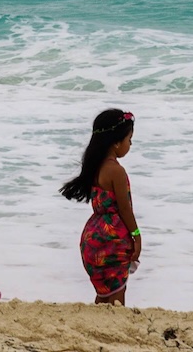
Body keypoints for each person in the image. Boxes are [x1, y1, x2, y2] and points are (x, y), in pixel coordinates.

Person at [60, 109, 140, 305]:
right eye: (129, 139)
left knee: (104, 294)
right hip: (112, 239)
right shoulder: (116, 171)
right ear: (116, 142)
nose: (130, 144)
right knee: (117, 296)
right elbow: (125, 209)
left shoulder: (94, 168)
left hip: (91, 239)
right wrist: (136, 235)